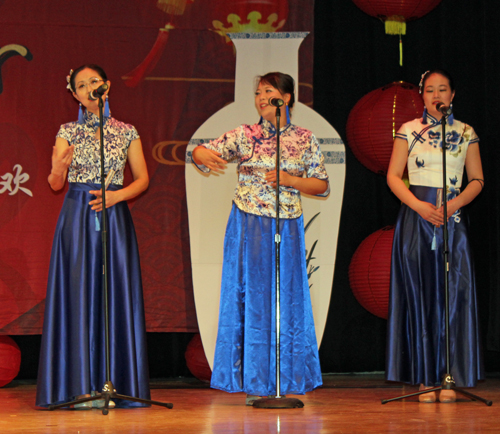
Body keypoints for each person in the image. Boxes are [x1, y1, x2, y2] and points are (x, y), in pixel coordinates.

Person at [191, 72, 328, 405]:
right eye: (258, 92)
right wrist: (199, 155)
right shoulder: (245, 134)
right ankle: (251, 376)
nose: (261, 97)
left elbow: (321, 185)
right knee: (250, 299)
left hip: (288, 225)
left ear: (287, 98)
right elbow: (203, 153)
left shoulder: (305, 138)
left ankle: (288, 377)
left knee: (287, 298)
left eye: (268, 91)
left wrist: (289, 179)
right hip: (249, 224)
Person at [36, 64, 150, 408]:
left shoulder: (127, 131)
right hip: (78, 216)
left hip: (114, 217)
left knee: (113, 294)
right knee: (79, 295)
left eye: (94, 83)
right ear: (74, 95)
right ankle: (80, 387)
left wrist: (117, 195)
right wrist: (58, 168)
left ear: (107, 85)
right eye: (81, 86)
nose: (89, 89)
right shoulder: (67, 131)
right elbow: (55, 183)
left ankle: (113, 383)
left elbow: (142, 179)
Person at [386, 69, 484, 403]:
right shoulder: (409, 130)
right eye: (430, 90)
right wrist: (419, 206)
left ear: (452, 95)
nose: (436, 95)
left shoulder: (466, 131)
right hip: (418, 218)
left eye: (443, 90)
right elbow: (394, 176)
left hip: (452, 219)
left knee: (452, 295)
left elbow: (477, 179)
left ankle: (450, 376)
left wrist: (453, 203)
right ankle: (423, 377)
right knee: (421, 293)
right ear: (422, 96)